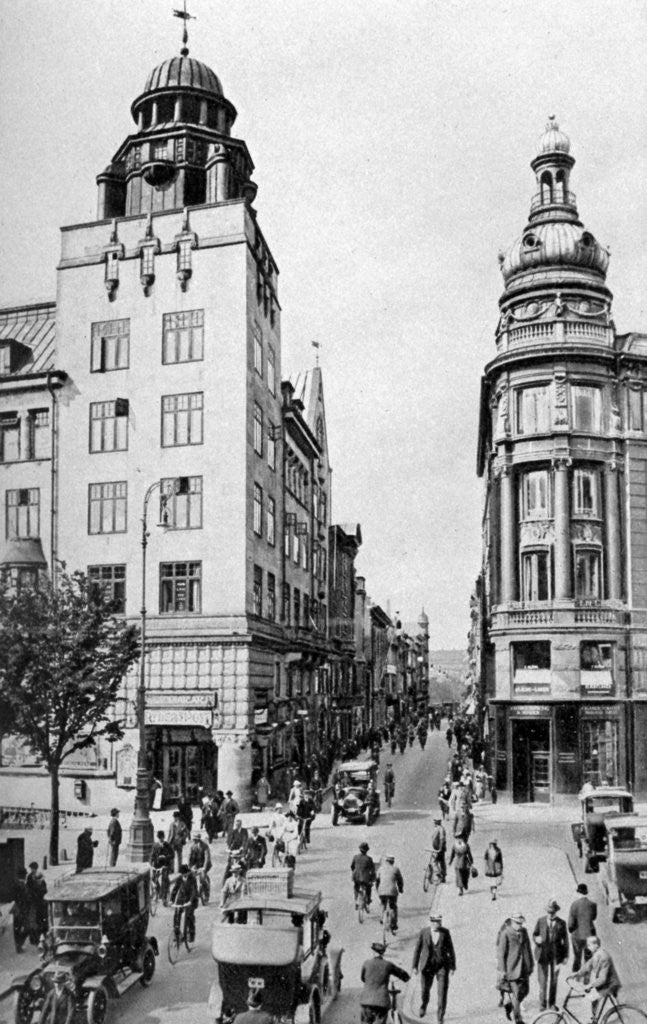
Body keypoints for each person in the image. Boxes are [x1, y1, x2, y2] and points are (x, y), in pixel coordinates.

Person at [412, 912, 456, 1021]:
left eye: (439, 922)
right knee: (424, 990)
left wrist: (453, 966)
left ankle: (440, 1016)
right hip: (427, 966)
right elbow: (417, 950)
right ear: (431, 922)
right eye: (436, 922)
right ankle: (424, 1005)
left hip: (442, 966)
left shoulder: (445, 932)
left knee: (442, 992)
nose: (438, 924)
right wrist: (415, 966)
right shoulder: (424, 932)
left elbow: (451, 949)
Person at [360, 940, 410, 1024]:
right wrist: (407, 978)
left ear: (373, 952)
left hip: (366, 1000)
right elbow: (404, 975)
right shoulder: (388, 964)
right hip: (381, 1001)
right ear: (382, 953)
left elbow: (363, 978)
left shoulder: (366, 963)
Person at [497, 911, 534, 1024]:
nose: (520, 925)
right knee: (517, 994)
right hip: (512, 969)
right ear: (512, 922)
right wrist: (502, 970)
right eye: (517, 923)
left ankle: (509, 1005)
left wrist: (531, 964)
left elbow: (527, 948)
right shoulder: (505, 933)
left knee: (525, 991)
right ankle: (518, 1020)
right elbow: (501, 953)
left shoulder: (524, 931)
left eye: (521, 923)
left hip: (524, 968)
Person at [571, 935, 620, 1020]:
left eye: (589, 945)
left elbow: (602, 978)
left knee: (591, 998)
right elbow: (588, 965)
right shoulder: (596, 955)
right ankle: (594, 1019)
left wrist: (590, 986)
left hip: (610, 985)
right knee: (593, 1000)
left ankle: (595, 1020)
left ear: (596, 945)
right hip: (604, 984)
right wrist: (577, 974)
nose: (588, 947)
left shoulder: (603, 956)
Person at [533, 898, 569, 1012]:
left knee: (554, 981)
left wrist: (566, 956)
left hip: (555, 957)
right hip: (542, 955)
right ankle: (542, 1005)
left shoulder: (561, 923)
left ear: (556, 912)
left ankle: (552, 1004)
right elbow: (534, 934)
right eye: (548, 912)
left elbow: (566, 940)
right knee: (543, 981)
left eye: (552, 912)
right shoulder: (540, 921)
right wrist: (536, 939)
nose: (550, 914)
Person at [568, 883, 597, 972]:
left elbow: (571, 923)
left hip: (577, 934)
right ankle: (587, 974)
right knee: (588, 955)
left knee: (577, 956)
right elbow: (594, 917)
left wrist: (571, 930)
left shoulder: (574, 904)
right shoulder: (593, 904)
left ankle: (576, 972)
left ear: (578, 893)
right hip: (589, 933)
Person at [169, 863, 198, 943]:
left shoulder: (193, 878)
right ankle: (177, 933)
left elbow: (194, 891)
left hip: (191, 899)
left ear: (188, 872)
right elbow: (175, 889)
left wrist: (190, 901)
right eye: (182, 874)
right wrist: (171, 900)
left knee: (189, 915)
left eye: (185, 873)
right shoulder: (179, 878)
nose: (184, 875)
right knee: (177, 914)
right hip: (181, 898)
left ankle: (191, 934)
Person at [376, 854, 404, 933]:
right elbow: (400, 880)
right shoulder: (396, 869)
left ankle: (381, 918)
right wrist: (401, 888)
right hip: (392, 892)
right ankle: (394, 924)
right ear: (393, 862)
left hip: (382, 891)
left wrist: (377, 888)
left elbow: (377, 880)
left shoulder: (381, 868)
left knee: (382, 904)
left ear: (386, 861)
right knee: (393, 906)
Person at [25, 862, 48, 944]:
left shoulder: (39, 876)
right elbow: (27, 888)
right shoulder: (29, 877)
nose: (32, 870)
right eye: (31, 868)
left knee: (40, 920)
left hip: (39, 903)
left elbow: (45, 890)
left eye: (33, 868)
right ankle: (35, 939)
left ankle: (41, 937)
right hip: (35, 903)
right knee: (34, 921)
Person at [351, 842, 376, 908]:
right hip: (365, 878)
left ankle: (356, 900)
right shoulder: (369, 859)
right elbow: (372, 870)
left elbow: (352, 866)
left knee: (356, 886)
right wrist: (373, 878)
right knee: (368, 887)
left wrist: (355, 871)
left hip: (356, 876)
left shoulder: (355, 857)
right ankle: (368, 899)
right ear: (367, 850)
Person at [10, 868, 29, 953]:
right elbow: (25, 898)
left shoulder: (15, 884)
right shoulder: (23, 886)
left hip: (16, 908)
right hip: (22, 909)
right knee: (27, 927)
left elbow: (12, 896)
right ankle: (19, 945)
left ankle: (18, 946)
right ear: (24, 875)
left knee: (16, 928)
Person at [150, 830, 173, 904]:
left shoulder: (167, 845)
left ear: (164, 837)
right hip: (157, 865)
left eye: (162, 838)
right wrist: (151, 863)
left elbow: (172, 854)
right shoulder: (155, 845)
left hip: (165, 865)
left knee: (164, 879)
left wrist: (165, 857)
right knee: (154, 878)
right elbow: (152, 855)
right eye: (160, 838)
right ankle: (158, 891)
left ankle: (164, 897)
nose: (161, 839)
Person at [188, 831, 212, 896]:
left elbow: (207, 857)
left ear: (199, 839)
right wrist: (189, 867)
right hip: (197, 864)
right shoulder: (192, 847)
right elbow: (190, 858)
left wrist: (204, 867)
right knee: (190, 877)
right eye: (194, 840)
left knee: (202, 878)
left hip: (205, 864)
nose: (195, 841)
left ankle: (206, 894)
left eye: (196, 840)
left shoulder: (205, 846)